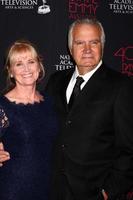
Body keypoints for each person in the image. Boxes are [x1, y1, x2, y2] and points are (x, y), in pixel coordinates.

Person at [46, 17, 133, 200]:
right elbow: (41, 128)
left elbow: (129, 149)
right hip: (54, 191)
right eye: (80, 43)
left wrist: (107, 192)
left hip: (95, 193)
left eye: (93, 42)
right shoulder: (55, 81)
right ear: (70, 48)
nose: (87, 49)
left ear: (102, 45)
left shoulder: (121, 86)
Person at [0, 40, 58, 200]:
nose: (26, 68)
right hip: (13, 190)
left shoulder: (49, 101)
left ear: (39, 66)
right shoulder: (3, 106)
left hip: (48, 187)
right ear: (10, 71)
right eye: (18, 64)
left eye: (31, 62)